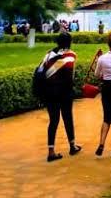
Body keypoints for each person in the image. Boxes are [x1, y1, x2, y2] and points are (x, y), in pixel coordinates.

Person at [39, 33, 81, 162]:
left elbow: (42, 72)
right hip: (64, 92)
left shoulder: (48, 55)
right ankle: (72, 146)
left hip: (49, 92)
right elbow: (70, 77)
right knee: (67, 118)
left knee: (53, 120)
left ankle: (51, 151)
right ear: (70, 42)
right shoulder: (71, 56)